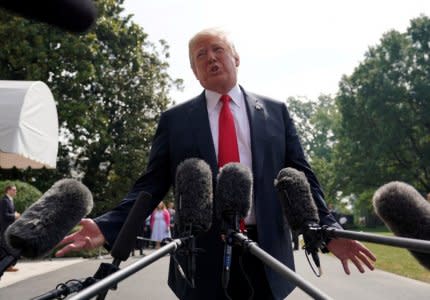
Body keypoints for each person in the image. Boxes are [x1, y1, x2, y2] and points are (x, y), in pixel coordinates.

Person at [56, 28, 376, 299]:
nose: (210, 57)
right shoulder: (175, 121)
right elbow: (151, 184)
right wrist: (108, 225)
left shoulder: (276, 112)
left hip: (267, 254)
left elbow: (302, 177)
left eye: (217, 49)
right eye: (200, 55)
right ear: (194, 70)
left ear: (235, 58)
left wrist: (329, 229)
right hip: (200, 256)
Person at [0, 185, 20, 272]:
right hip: (5, 229)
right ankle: (7, 266)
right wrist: (14, 216)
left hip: (10, 228)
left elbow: (11, 212)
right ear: (8, 190)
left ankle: (8, 266)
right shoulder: (4, 201)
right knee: (8, 247)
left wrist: (16, 214)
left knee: (8, 247)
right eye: (14, 190)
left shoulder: (10, 200)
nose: (15, 192)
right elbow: (3, 216)